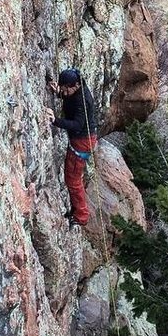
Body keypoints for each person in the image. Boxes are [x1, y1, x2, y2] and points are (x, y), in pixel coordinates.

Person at [46, 68, 97, 228]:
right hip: (82, 139)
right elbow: (69, 98)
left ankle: (81, 216)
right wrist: (58, 93)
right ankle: (77, 210)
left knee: (73, 180)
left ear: (75, 85)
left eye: (66, 88)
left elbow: (77, 124)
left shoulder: (83, 100)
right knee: (72, 178)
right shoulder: (76, 88)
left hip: (83, 141)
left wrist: (55, 121)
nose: (64, 91)